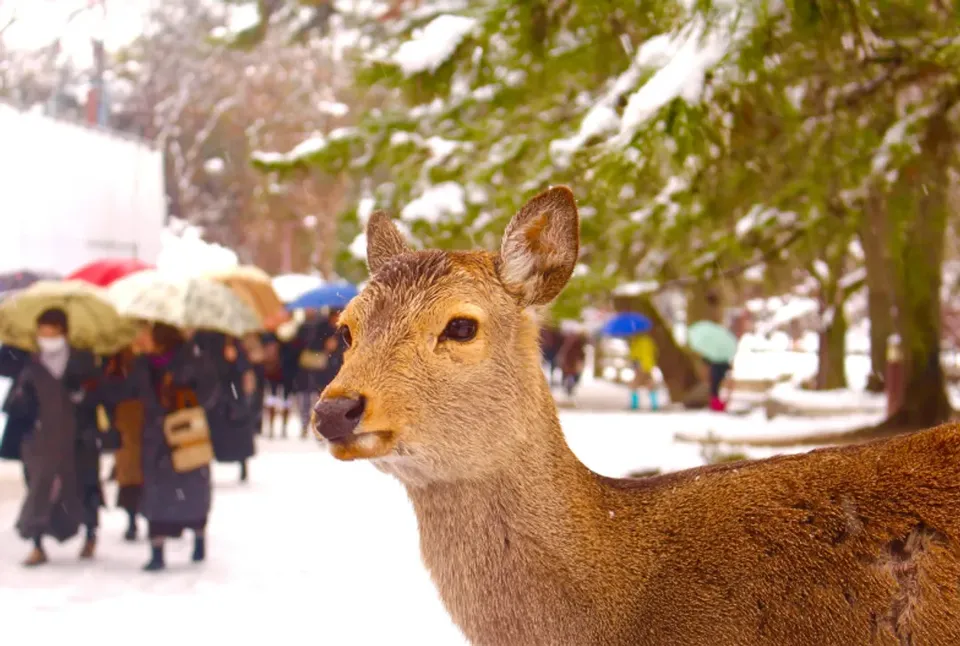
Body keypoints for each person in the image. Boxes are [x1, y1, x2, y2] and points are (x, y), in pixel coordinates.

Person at [103, 322, 217, 571]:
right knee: (156, 494)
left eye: (148, 333)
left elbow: (210, 393)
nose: (142, 337)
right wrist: (110, 376)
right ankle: (157, 550)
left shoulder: (193, 359)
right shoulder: (143, 364)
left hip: (186, 434)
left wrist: (181, 390)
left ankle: (199, 537)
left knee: (192, 489)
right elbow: (126, 392)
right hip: (155, 439)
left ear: (160, 337)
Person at [7, 308, 103, 566]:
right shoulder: (28, 361)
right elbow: (15, 400)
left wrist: (81, 393)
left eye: (52, 332)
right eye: (43, 332)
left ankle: (90, 534)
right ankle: (37, 543)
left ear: (64, 332)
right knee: (40, 489)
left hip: (77, 438)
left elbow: (98, 394)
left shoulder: (82, 359)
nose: (47, 337)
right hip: (40, 438)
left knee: (82, 485)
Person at [193, 330, 256, 482]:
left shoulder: (231, 338)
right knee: (210, 430)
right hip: (211, 388)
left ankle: (242, 462)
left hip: (231, 389)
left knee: (236, 427)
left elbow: (244, 366)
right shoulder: (202, 337)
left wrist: (236, 359)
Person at [292, 309, 341, 439]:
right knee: (315, 400)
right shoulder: (320, 327)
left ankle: (327, 428)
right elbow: (312, 346)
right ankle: (310, 426)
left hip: (336, 370)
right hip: (319, 371)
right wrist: (325, 346)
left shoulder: (343, 329)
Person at [628, 333, 659, 410]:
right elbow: (655, 352)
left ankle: (634, 405)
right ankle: (654, 404)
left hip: (642, 366)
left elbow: (634, 355)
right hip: (648, 366)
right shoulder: (649, 341)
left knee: (634, 385)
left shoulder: (638, 342)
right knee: (650, 384)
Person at [556, 331, 587, 397]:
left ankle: (567, 386)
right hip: (571, 362)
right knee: (572, 374)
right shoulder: (576, 343)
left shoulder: (569, 344)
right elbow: (581, 354)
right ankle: (569, 387)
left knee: (569, 374)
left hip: (570, 362)